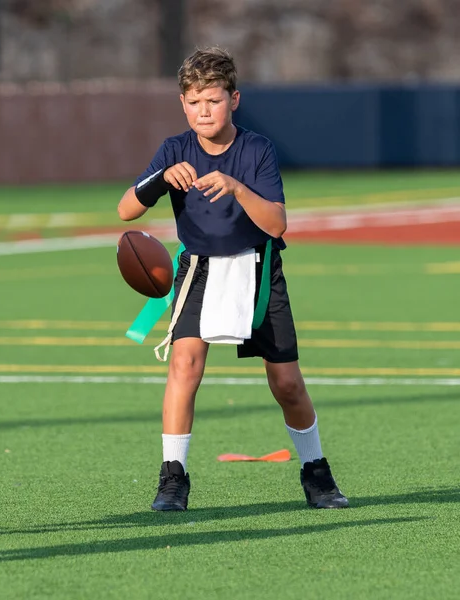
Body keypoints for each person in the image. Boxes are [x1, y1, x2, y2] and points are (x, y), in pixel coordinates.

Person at [117, 47, 349, 511]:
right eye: (195, 100)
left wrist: (238, 187)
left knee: (286, 383)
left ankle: (316, 473)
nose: (204, 110)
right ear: (183, 104)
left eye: (214, 100)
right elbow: (126, 210)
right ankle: (172, 479)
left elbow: (278, 224)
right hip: (198, 268)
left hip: (257, 269)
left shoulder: (257, 148)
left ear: (234, 100)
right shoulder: (174, 149)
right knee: (183, 367)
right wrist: (162, 178)